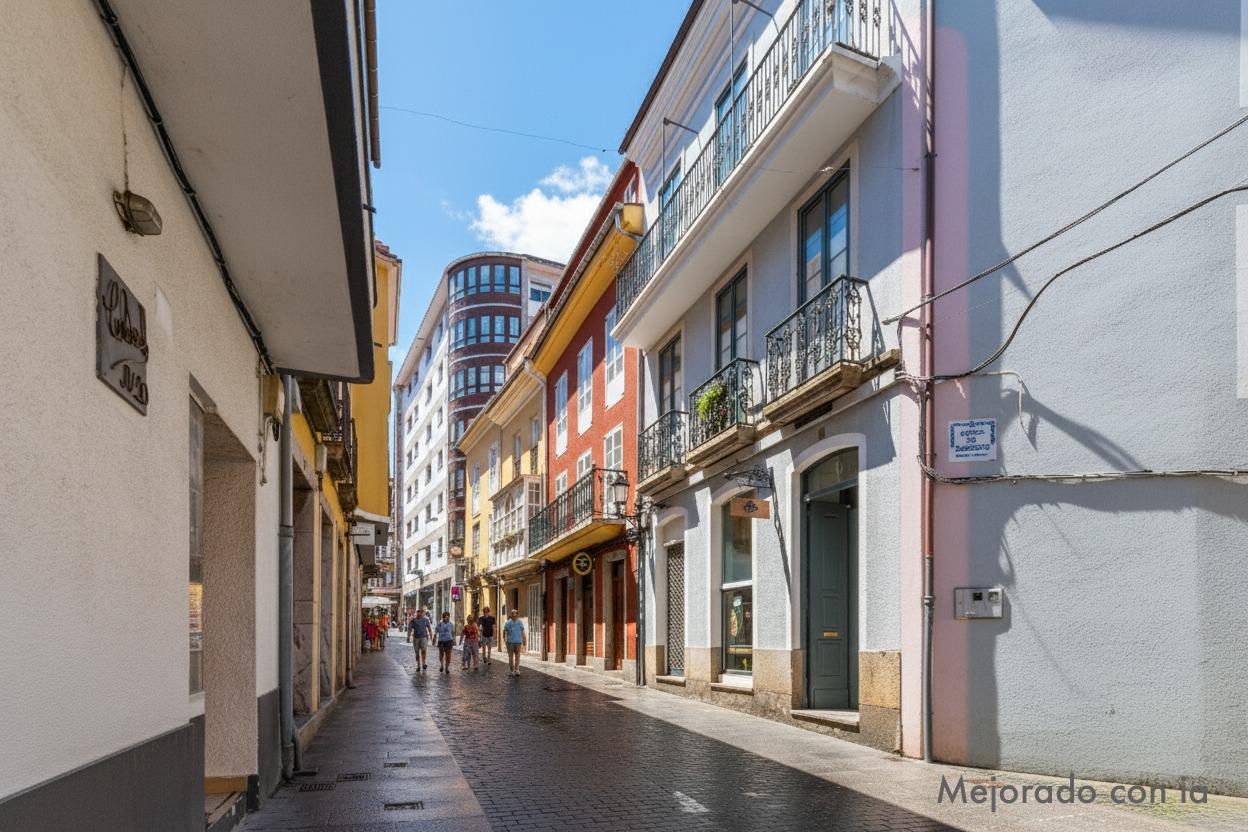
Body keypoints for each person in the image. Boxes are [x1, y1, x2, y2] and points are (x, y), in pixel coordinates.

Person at [503, 609, 526, 676]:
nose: (514, 615)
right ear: (511, 615)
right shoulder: (508, 623)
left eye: (515, 613)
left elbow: (522, 633)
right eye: (513, 614)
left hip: (518, 642)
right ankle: (513, 670)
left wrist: (524, 642)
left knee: (517, 657)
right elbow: (504, 631)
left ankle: (516, 669)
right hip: (510, 642)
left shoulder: (519, 622)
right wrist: (505, 639)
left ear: (517, 614)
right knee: (511, 657)